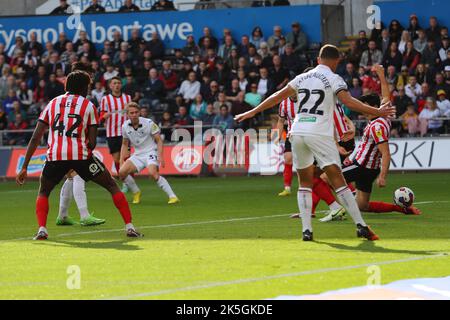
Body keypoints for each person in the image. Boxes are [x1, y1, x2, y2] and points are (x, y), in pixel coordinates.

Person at [235, 44, 396, 241]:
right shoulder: (334, 78)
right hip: (319, 132)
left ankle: (306, 231)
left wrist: (252, 112)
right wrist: (378, 112)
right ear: (336, 61)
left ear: (318, 60)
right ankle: (361, 226)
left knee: (304, 183)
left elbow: (277, 96)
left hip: (298, 132)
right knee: (338, 180)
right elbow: (349, 102)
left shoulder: (302, 77)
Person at [16, 70, 142, 240]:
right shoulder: (88, 105)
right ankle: (129, 227)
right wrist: (84, 155)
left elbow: (35, 137)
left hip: (55, 156)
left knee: (44, 192)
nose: (88, 90)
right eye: (88, 87)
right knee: (112, 186)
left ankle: (42, 230)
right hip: (81, 156)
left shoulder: (52, 103)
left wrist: (24, 167)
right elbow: (92, 141)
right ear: (83, 88)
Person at [321, 65, 420, 222]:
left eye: (365, 106)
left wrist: (383, 176)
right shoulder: (384, 116)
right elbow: (386, 95)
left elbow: (386, 152)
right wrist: (381, 74)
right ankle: (399, 208)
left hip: (362, 166)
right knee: (362, 206)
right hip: (368, 169)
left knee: (326, 178)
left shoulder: (377, 126)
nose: (362, 109)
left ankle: (337, 209)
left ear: (373, 107)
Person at [119, 102, 179, 205]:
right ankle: (136, 192)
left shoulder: (149, 123)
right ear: (127, 114)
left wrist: (160, 156)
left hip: (151, 151)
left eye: (136, 112)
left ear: (139, 113)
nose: (134, 115)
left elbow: (159, 140)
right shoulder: (125, 126)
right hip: (137, 155)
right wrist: (121, 160)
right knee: (122, 172)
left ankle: (173, 196)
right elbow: (124, 144)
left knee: (153, 173)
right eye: (131, 113)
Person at [100, 77, 139, 197]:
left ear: (121, 85)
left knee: (127, 159)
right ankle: (125, 181)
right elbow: (101, 116)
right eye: (114, 83)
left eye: (118, 83)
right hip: (111, 133)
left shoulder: (127, 98)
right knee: (117, 160)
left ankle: (128, 185)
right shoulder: (105, 99)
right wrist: (105, 116)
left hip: (125, 133)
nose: (116, 85)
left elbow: (132, 113)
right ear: (110, 86)